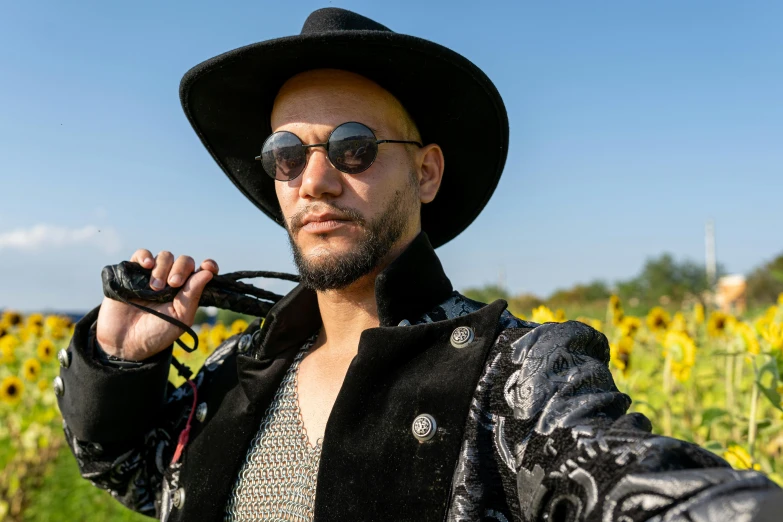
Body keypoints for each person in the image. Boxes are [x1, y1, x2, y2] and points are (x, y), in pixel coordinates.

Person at [55, 8, 780, 522]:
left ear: (427, 173)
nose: (315, 180)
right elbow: (131, 473)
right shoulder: (235, 372)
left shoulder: (512, 374)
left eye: (353, 146)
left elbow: (628, 484)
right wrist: (116, 363)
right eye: (285, 154)